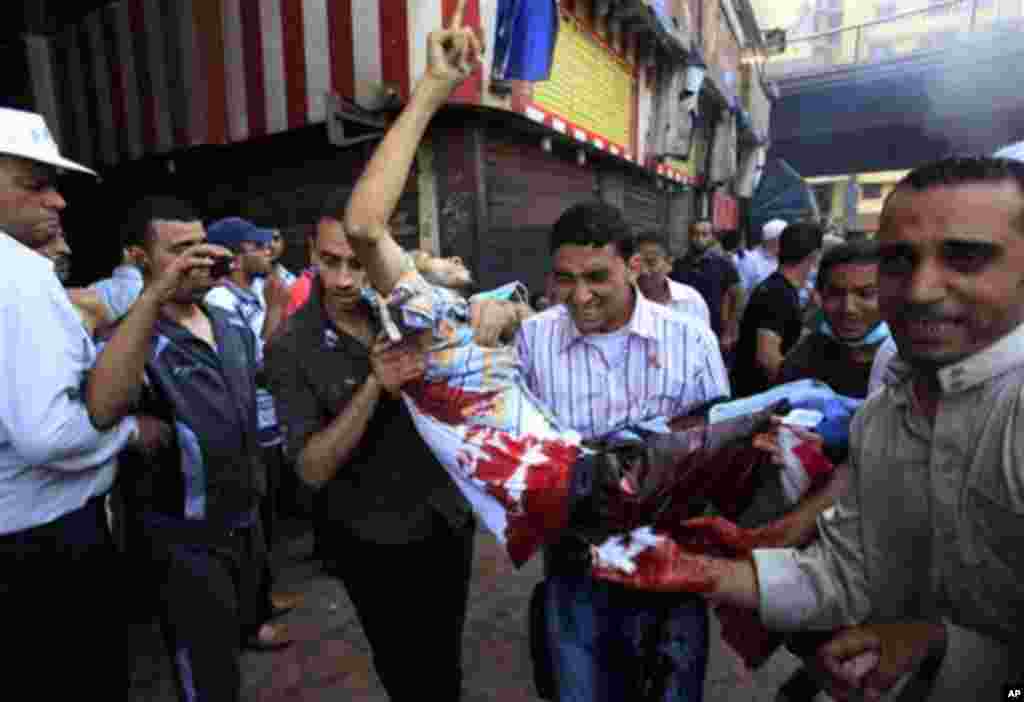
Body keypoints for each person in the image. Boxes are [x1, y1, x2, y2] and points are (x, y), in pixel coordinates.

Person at [591, 156, 1024, 702]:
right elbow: (847, 571)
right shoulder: (884, 414)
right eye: (898, 261)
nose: (920, 289)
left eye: (964, 258)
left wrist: (939, 646)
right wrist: (701, 572)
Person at [87, 196, 292, 701]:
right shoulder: (131, 338)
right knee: (206, 674)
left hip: (244, 521)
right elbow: (102, 409)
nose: (197, 259)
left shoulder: (229, 324)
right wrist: (154, 297)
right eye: (180, 250)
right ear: (141, 259)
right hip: (184, 540)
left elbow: (261, 382)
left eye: (201, 245)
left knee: (232, 660)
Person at [266, 211, 477, 702]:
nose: (343, 279)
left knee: (445, 665)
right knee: (408, 675)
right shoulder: (291, 348)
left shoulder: (403, 309)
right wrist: (372, 388)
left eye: (356, 264)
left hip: (446, 521)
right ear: (311, 257)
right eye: (330, 262)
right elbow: (311, 469)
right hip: (375, 542)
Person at [0, 107, 156, 699]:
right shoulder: (17, 275)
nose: (58, 201)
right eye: (35, 184)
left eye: (55, 184)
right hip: (46, 545)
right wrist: (128, 434)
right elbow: (48, 435)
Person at [779, 239, 889, 399]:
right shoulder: (804, 357)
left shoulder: (907, 364)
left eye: (866, 294)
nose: (848, 308)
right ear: (820, 296)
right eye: (836, 294)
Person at [732, 222, 823, 397]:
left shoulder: (779, 288)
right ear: (814, 256)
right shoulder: (777, 294)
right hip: (759, 401)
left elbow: (786, 330)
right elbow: (767, 359)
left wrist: (810, 311)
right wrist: (797, 395)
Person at [671, 219, 743, 355]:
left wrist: (729, 331)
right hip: (683, 331)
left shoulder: (723, 264)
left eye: (704, 234)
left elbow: (738, 296)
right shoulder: (679, 264)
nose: (699, 239)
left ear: (712, 237)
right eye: (695, 234)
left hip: (713, 331)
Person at [634, 229, 712, 327]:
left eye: (651, 263)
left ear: (669, 263)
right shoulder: (625, 303)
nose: (643, 270)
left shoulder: (691, 301)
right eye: (637, 263)